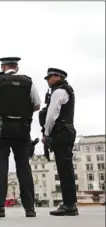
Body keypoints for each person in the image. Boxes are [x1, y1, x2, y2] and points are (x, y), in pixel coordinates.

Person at [0, 57, 41, 218]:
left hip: (0, 129)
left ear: (3, 66)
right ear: (17, 67)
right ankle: (30, 208)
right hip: (22, 130)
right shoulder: (28, 82)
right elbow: (37, 105)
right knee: (24, 167)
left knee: (0, 167)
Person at [41, 68, 78, 216]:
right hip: (68, 130)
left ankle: (69, 205)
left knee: (64, 169)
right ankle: (70, 203)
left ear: (57, 77)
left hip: (61, 132)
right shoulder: (68, 90)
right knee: (66, 168)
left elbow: (51, 115)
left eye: (49, 78)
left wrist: (46, 133)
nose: (48, 81)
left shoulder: (58, 92)